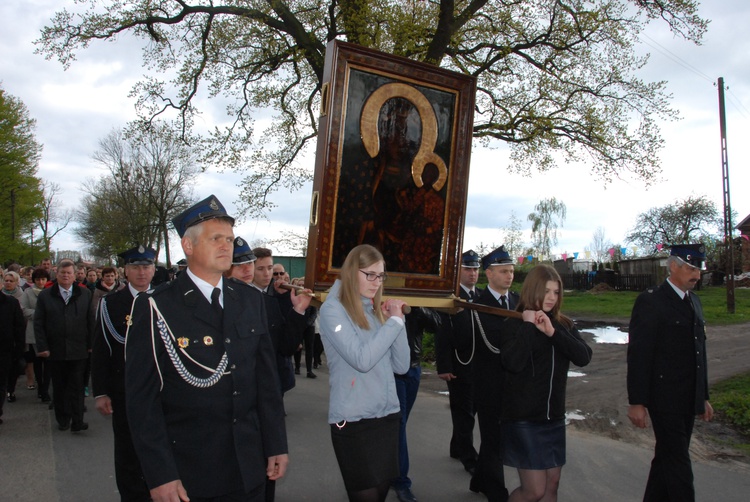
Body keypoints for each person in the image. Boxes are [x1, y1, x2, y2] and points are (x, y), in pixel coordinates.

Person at [125, 195, 289, 502]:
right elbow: (141, 402)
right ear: (188, 246)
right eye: (216, 239)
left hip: (249, 465)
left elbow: (266, 382)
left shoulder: (250, 300)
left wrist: (276, 443)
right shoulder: (155, 307)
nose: (226, 246)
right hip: (191, 471)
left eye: (228, 239)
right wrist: (161, 474)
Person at [319, 244, 410, 502]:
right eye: (369, 274)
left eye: (380, 276)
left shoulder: (372, 308)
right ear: (351, 272)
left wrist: (397, 323)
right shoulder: (332, 310)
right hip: (355, 421)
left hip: (386, 416)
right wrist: (392, 323)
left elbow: (401, 365)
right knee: (366, 497)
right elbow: (362, 360)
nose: (376, 282)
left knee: (380, 492)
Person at [499, 264, 592, 502]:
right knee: (534, 490)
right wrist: (529, 326)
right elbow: (512, 363)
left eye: (556, 292)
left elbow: (584, 357)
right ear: (533, 290)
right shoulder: (515, 324)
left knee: (552, 485)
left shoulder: (563, 325)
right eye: (547, 291)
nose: (551, 298)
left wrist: (553, 333)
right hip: (524, 419)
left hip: (553, 418)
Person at [627, 244, 713, 502]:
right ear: (673, 265)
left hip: (688, 397)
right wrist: (637, 402)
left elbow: (699, 355)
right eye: (690, 268)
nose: (696, 274)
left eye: (699, 269)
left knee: (666, 459)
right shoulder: (651, 300)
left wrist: (703, 397)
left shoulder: (694, 302)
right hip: (664, 398)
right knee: (678, 464)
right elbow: (640, 355)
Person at [92, 245, 156, 502]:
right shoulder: (111, 304)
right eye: (135, 267)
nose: (142, 272)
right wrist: (101, 392)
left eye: (147, 266)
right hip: (125, 390)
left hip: (162, 390)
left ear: (154, 269)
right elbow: (100, 351)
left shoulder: (166, 300)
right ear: (125, 271)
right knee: (128, 452)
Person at [470, 245, 519, 501]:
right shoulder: (478, 305)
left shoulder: (519, 301)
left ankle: (479, 479)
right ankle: (496, 491)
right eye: (503, 271)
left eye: (511, 271)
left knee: (499, 435)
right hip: (488, 383)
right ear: (489, 274)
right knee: (492, 437)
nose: (509, 276)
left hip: (513, 383)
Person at [34, 259, 95, 432]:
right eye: (62, 273)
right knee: (60, 386)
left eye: (69, 273)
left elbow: (90, 320)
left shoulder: (84, 295)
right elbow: (38, 323)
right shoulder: (46, 295)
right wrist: (42, 347)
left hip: (78, 348)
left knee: (77, 385)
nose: (66, 276)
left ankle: (77, 421)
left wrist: (91, 343)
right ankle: (63, 418)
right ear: (57, 275)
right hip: (55, 349)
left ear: (75, 275)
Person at [435, 250, 482, 476]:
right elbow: (442, 333)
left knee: (471, 409)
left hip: (478, 364)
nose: (473, 273)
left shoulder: (480, 296)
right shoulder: (450, 298)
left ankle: (457, 446)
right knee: (463, 411)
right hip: (459, 363)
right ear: (458, 271)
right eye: (468, 269)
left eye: (475, 269)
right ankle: (468, 457)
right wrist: (444, 366)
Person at [391, 306, 441, 502]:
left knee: (398, 426)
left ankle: (390, 472)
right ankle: (401, 481)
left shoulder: (419, 295)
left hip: (413, 367)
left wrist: (416, 307)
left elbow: (437, 324)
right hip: (390, 369)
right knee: (399, 423)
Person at [21, 267, 52, 403]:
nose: (40, 282)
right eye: (38, 279)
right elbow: (23, 309)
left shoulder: (50, 292)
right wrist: (38, 314)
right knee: (38, 362)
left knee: (49, 362)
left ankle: (45, 388)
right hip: (34, 330)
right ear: (34, 280)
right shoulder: (27, 292)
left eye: (43, 279)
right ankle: (41, 387)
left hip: (49, 331)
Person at [0, 287, 25, 424]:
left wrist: (19, 349)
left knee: (1, 383)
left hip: (5, 350)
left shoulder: (11, 303)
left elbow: (19, 327)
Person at [3, 271, 25, 403]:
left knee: (12, 368)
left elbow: (19, 324)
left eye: (11, 281)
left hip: (10, 341)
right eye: (6, 280)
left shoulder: (17, 298)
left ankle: (10, 389)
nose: (8, 283)